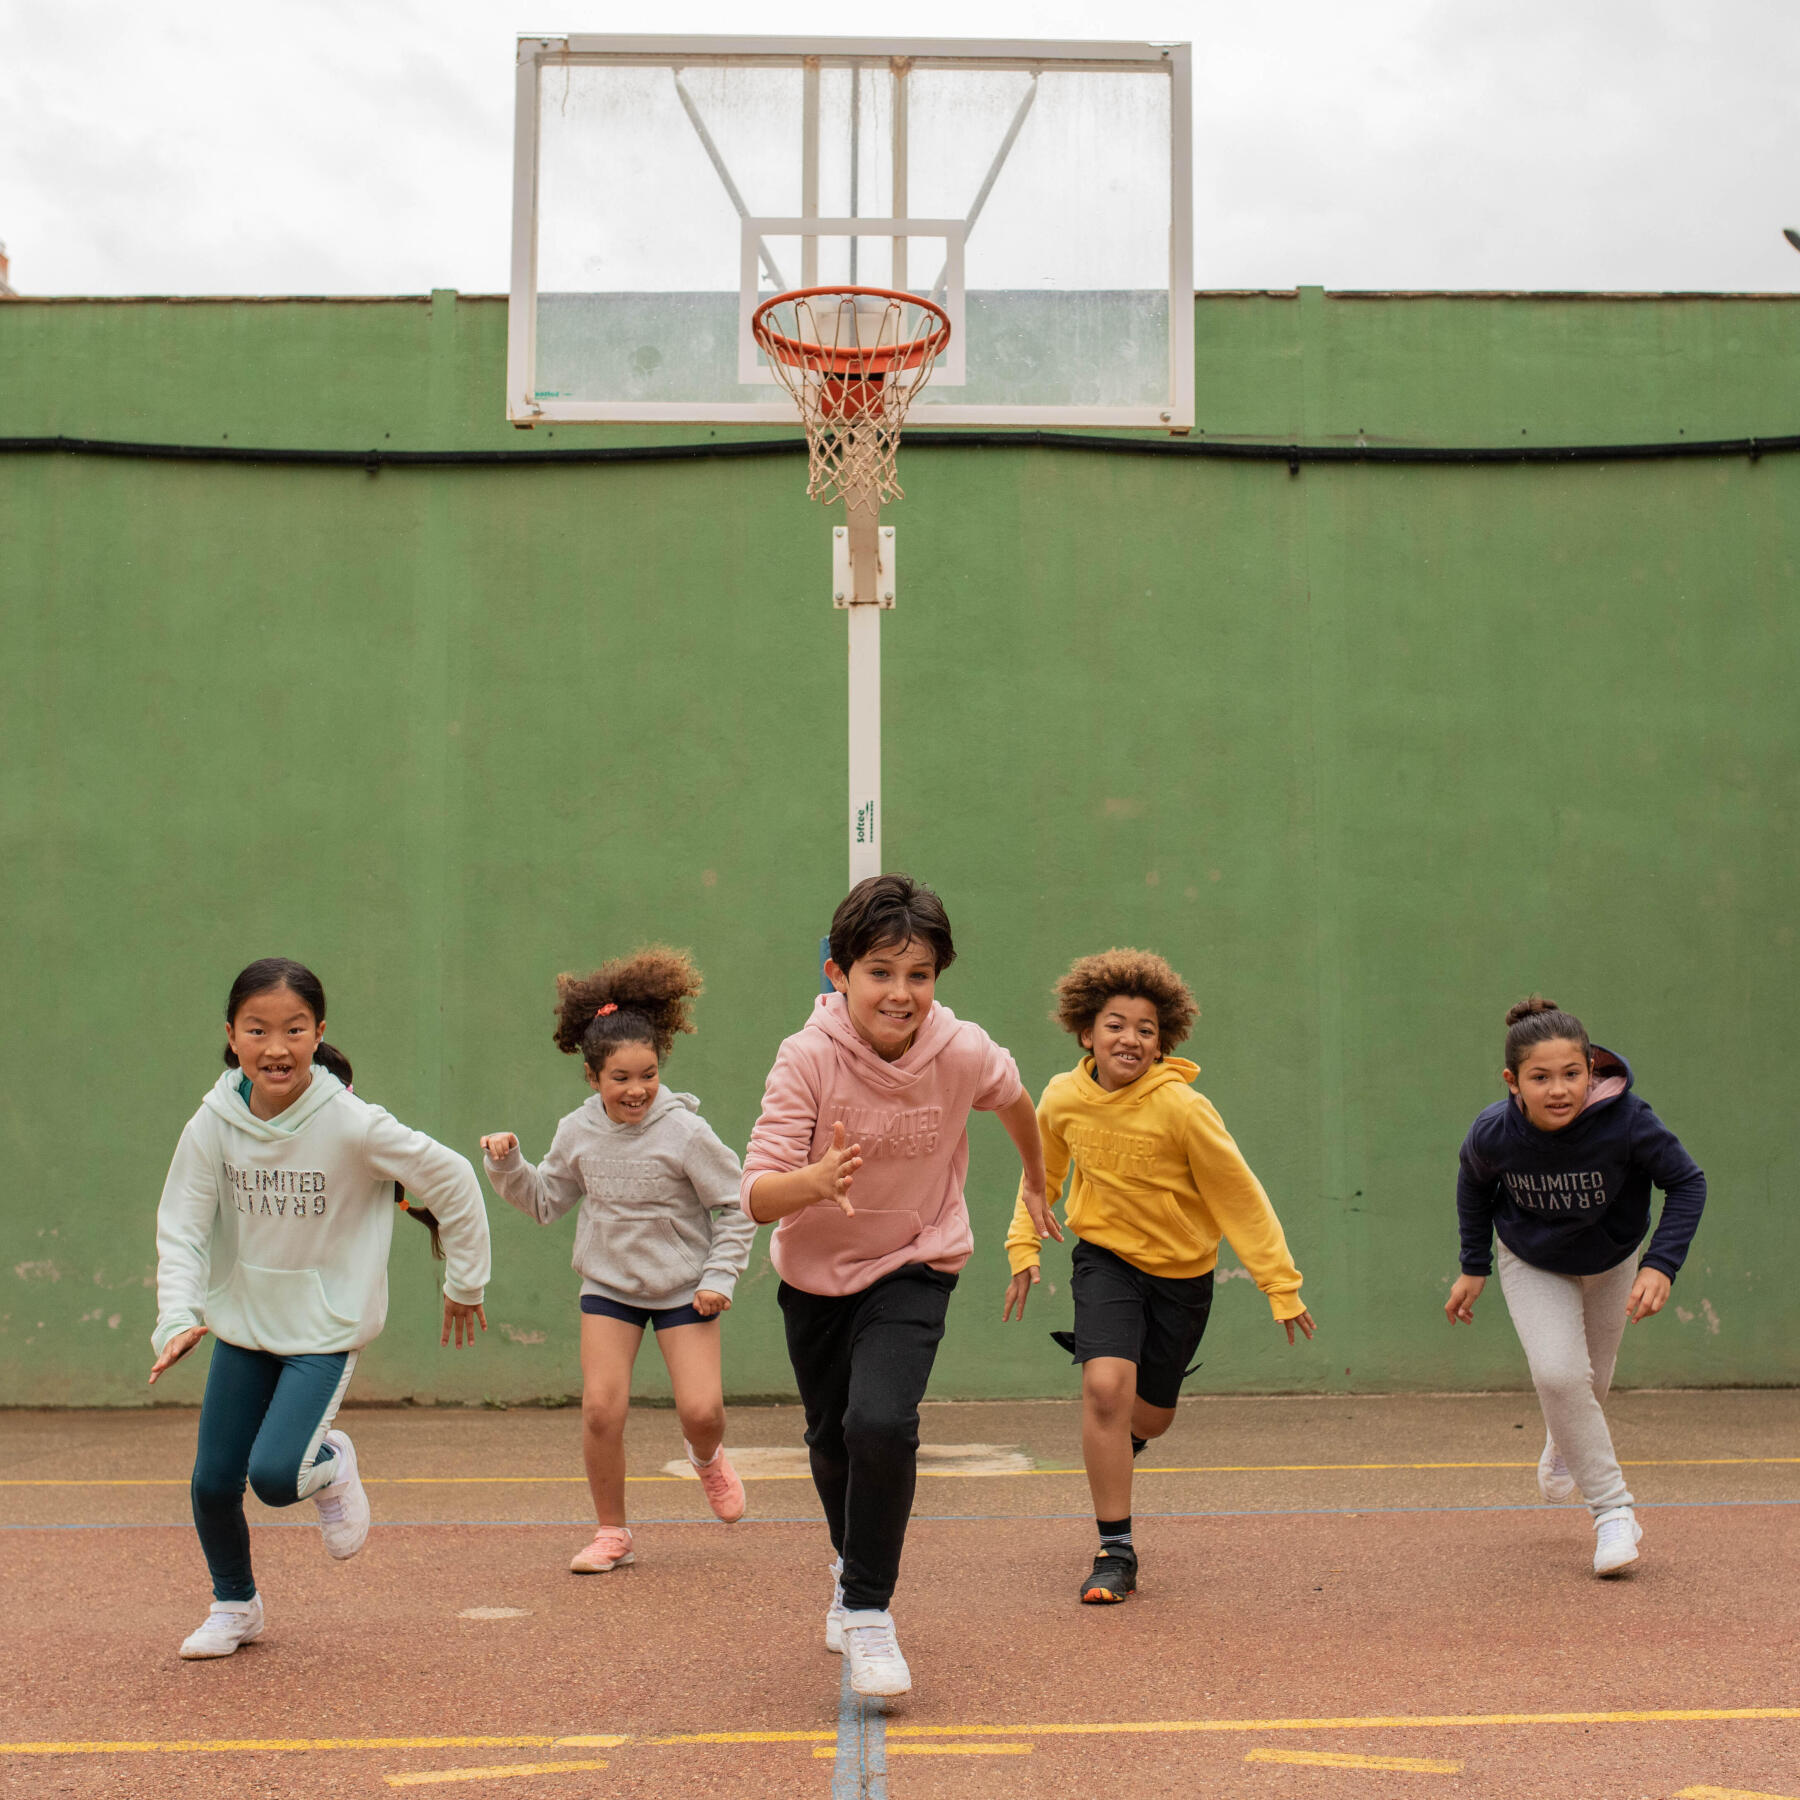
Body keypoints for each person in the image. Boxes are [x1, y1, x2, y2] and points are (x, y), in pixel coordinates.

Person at [742, 873, 1052, 1698]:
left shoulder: (961, 1049)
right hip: (815, 1272)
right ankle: (851, 1565)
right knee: (833, 1441)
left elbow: (1016, 1100)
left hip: (918, 1255)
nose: (901, 992)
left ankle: (870, 1612)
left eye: (919, 975)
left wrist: (1035, 1177)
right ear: (839, 974)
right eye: (881, 972)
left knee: (881, 1422)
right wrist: (813, 1181)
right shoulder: (805, 1059)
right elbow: (757, 1193)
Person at [150, 957, 491, 1661]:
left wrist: (465, 1281)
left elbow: (452, 1178)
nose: (276, 1046)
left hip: (324, 1327)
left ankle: (331, 1460)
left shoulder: (352, 1125)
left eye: (294, 1029)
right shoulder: (213, 1123)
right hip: (246, 1323)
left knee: (277, 1479)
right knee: (213, 1482)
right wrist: (177, 1316)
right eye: (258, 1029)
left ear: (318, 1033)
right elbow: (182, 1224)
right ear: (232, 1035)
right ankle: (234, 1605)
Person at [1002, 948, 1315, 1605]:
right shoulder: (1062, 1098)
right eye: (1116, 1024)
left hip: (1181, 1274)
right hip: (1105, 1259)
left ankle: (1126, 1441)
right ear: (1086, 1032)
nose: (1131, 1038)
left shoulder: (1183, 1110)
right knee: (1107, 1389)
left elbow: (1240, 1197)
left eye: (1146, 1029)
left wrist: (1278, 1283)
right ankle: (1115, 1550)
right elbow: (1043, 1178)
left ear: (1161, 1043)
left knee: (1151, 1416)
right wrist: (1024, 1245)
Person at [482, 947, 756, 1575]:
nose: (637, 1090)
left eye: (648, 1075)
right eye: (621, 1078)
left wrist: (719, 1277)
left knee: (701, 1412)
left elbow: (737, 1206)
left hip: (686, 1288)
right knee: (602, 1409)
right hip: (609, 1288)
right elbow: (547, 1201)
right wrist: (507, 1165)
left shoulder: (687, 1133)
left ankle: (708, 1458)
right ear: (593, 1078)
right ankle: (612, 1532)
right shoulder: (576, 1132)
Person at [1446, 996, 1706, 1577]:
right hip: (1532, 1259)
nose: (1559, 1089)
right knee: (1560, 1374)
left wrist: (1660, 1264)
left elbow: (1687, 1183)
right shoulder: (1494, 1133)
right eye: (1541, 1078)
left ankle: (1565, 1439)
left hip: (1612, 1259)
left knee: (1593, 1379)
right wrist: (1473, 1265)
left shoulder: (1630, 1122)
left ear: (1591, 1069)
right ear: (1513, 1082)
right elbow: (1474, 1188)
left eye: (1571, 1074)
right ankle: (1614, 1511)